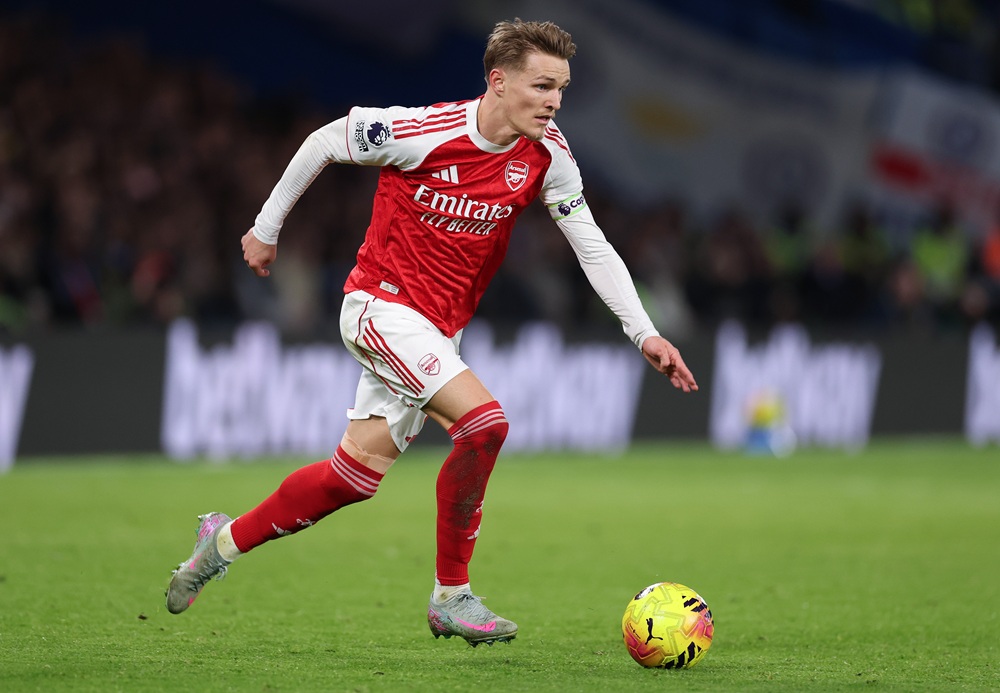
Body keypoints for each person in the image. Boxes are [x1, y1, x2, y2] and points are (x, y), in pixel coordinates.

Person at [164, 18, 698, 646]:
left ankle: (218, 545)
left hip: (439, 332)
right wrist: (266, 228)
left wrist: (644, 333)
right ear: (498, 82)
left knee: (350, 480)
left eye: (562, 89)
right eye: (542, 86)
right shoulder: (424, 132)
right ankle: (452, 594)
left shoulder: (548, 156)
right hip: (380, 307)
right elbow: (325, 140)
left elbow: (592, 245)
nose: (554, 101)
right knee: (485, 424)